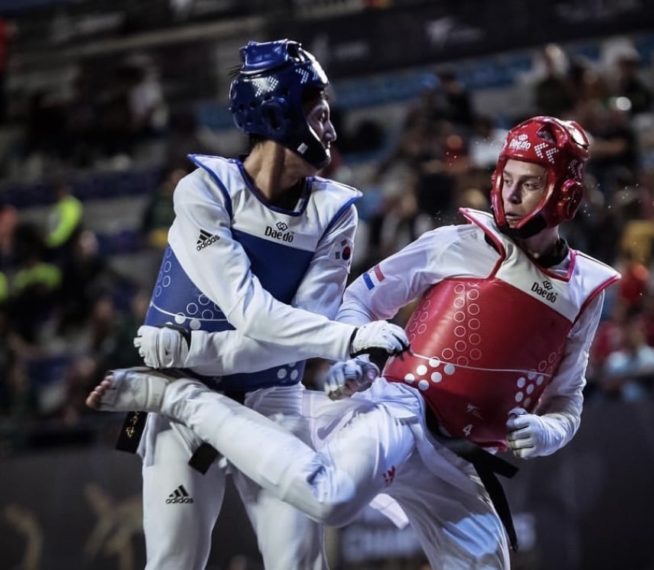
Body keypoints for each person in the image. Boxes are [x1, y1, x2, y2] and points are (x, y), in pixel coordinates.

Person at [89, 116, 619, 569]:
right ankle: (182, 397)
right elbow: (359, 303)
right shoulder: (455, 242)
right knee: (330, 497)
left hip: (462, 459)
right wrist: (359, 358)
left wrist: (546, 432)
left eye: (529, 183)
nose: (509, 192)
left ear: (563, 193)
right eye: (507, 177)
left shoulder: (584, 292)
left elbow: (567, 401)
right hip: (398, 411)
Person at [125, 39, 408, 570]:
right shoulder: (202, 192)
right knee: (173, 563)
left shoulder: (334, 210)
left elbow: (304, 329)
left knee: (299, 563)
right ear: (280, 113)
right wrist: (350, 339)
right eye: (321, 115)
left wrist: (193, 347)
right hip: (183, 399)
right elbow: (252, 313)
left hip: (268, 398)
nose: (331, 130)